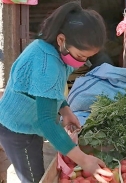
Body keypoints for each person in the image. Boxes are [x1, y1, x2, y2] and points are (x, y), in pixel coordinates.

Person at [0, 2, 112, 183]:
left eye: (87, 58)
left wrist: (65, 111)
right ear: (61, 40)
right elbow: (46, 122)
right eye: (80, 56)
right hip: (17, 130)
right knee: (34, 178)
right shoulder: (47, 64)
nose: (83, 62)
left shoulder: (54, 51)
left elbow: (49, 90)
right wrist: (83, 160)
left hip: (29, 124)